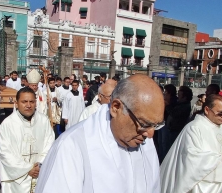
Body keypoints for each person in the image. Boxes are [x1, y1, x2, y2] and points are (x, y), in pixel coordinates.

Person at [36, 74, 164, 193]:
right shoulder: (71, 146)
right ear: (116, 107)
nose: (151, 134)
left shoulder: (146, 141)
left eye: (156, 125)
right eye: (144, 124)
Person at [161, 95, 222, 193]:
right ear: (207, 110)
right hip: (205, 186)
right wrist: (220, 161)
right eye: (220, 113)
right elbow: (190, 158)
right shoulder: (194, 128)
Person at [0, 87, 54, 193]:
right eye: (24, 102)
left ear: (36, 103)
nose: (28, 105)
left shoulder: (43, 121)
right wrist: (28, 169)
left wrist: (40, 165)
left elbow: (50, 145)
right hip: (18, 179)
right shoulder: (8, 124)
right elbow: (5, 153)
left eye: (31, 102)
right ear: (16, 103)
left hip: (39, 173)